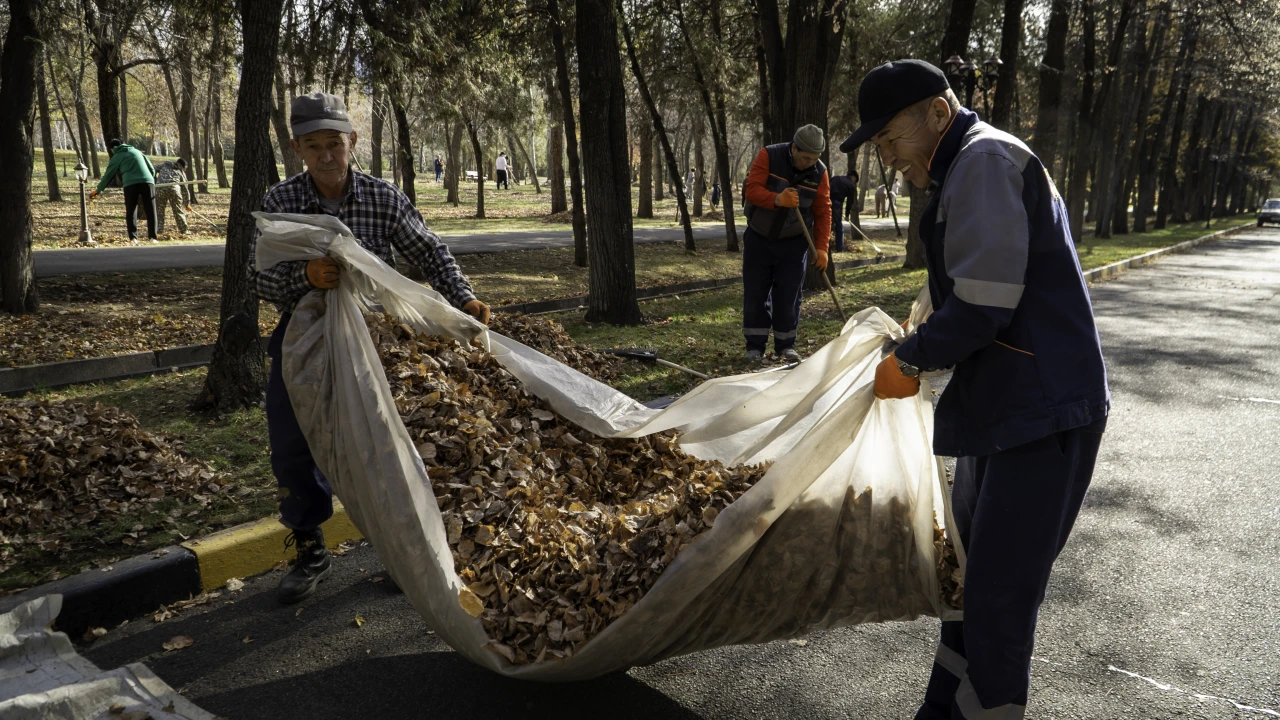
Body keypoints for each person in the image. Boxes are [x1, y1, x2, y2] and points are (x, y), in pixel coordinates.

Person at [840, 59, 1109, 720]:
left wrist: (911, 359)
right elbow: (973, 280)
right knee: (966, 589)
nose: (886, 155)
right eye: (876, 146)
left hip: (1040, 412)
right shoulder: (969, 166)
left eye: (889, 137)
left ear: (937, 112)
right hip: (1006, 406)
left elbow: (987, 303)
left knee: (995, 601)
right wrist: (921, 318)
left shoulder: (983, 161)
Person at [247, 92, 492, 605]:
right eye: (313, 146)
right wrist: (305, 275)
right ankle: (311, 547)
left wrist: (463, 297)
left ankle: (404, 553)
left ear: (352, 142)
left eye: (334, 143)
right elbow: (261, 279)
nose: (326, 155)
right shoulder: (282, 202)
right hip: (305, 341)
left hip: (378, 343)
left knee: (389, 447)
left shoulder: (383, 198)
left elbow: (429, 251)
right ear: (298, 149)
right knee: (293, 445)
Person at [741, 123, 831, 363]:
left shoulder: (819, 173)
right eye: (804, 158)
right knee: (755, 292)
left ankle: (786, 345)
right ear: (794, 148)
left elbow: (823, 212)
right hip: (759, 237)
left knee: (789, 296)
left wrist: (822, 248)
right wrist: (777, 199)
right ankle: (755, 347)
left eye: (813, 159)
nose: (808, 163)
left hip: (793, 245)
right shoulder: (769, 155)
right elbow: (752, 190)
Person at [90, 138, 158, 242]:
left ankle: (133, 238)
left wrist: (98, 189)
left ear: (112, 149)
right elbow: (151, 169)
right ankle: (153, 237)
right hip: (147, 182)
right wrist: (148, 178)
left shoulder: (116, 156)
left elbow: (108, 175)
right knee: (151, 209)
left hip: (130, 184)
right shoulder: (137, 151)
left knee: (131, 210)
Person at [154, 157, 191, 235]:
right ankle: (184, 231)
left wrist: (155, 180)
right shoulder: (180, 171)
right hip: (174, 189)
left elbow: (152, 168)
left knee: (159, 211)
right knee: (178, 211)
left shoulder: (164, 165)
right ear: (183, 166)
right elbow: (185, 188)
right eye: (185, 168)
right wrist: (187, 203)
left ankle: (158, 230)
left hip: (160, 188)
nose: (185, 170)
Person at [828, 167, 859, 252]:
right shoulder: (851, 185)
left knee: (826, 222)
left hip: (826, 200)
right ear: (853, 177)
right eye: (855, 181)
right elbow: (849, 202)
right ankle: (840, 247)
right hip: (837, 202)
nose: (854, 183)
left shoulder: (836, 178)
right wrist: (847, 214)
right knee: (838, 225)